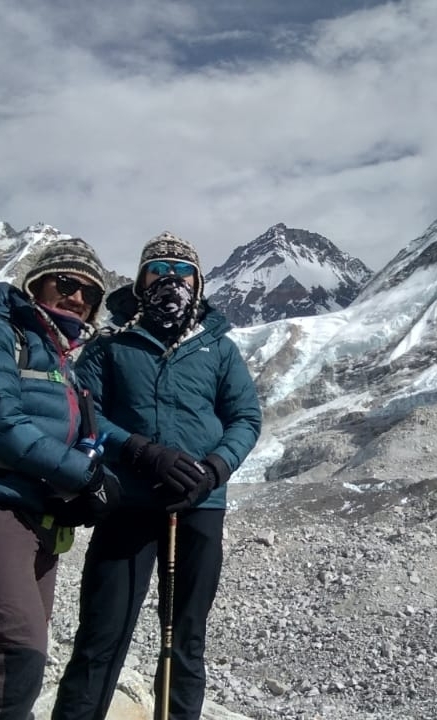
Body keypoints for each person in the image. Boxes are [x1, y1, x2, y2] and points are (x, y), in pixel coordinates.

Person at [53, 231, 262, 720]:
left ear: (199, 282)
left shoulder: (220, 349)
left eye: (182, 272)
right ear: (142, 279)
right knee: (101, 636)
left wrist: (214, 469)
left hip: (199, 506)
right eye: (159, 271)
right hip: (127, 501)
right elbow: (86, 413)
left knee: (186, 640)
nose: (171, 282)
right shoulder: (111, 345)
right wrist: (141, 451)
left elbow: (245, 418)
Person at [0, 237, 122, 720]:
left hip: (38, 517)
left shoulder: (61, 359)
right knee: (13, 651)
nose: (78, 298)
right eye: (66, 283)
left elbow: (72, 437)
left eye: (90, 293)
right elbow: (0, 423)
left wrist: (89, 476)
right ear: (36, 284)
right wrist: (84, 476)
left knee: (20, 656)